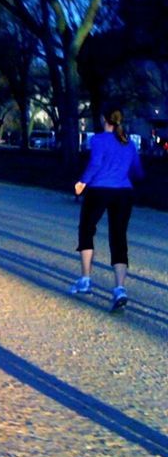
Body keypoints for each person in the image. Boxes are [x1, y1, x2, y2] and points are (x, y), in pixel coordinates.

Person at [70, 107, 144, 311]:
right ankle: (120, 288)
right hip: (123, 192)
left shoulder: (98, 140)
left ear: (104, 118)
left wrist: (82, 182)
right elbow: (137, 170)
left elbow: (95, 163)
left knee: (86, 229)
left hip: (99, 189)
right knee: (118, 237)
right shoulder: (128, 143)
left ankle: (85, 279)